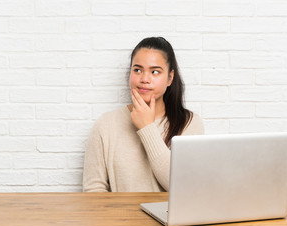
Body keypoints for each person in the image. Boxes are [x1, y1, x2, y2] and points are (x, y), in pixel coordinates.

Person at [82, 37, 204, 192]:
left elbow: (184, 188)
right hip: (121, 216)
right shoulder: (106, 124)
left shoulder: (190, 123)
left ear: (170, 78)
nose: (145, 79)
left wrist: (147, 127)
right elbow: (93, 189)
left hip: (169, 217)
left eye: (155, 72)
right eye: (137, 70)